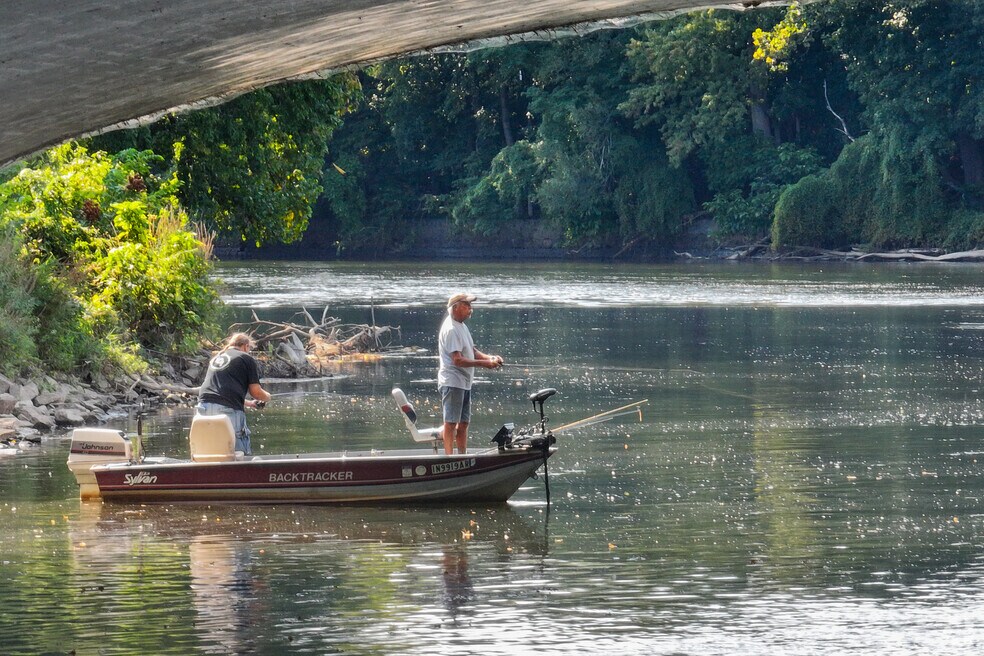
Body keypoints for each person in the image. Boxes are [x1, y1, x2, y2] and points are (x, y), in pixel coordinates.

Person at [437, 293, 503, 455]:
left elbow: (471, 351)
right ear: (456, 307)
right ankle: (449, 458)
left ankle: (462, 455)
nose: (470, 309)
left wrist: (490, 358)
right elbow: (457, 360)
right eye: (467, 305)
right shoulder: (451, 329)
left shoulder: (461, 326)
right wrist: (485, 364)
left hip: (464, 382)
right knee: (451, 423)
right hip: (453, 382)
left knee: (464, 423)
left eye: (470, 306)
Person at [196, 332, 271, 455]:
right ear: (246, 346)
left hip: (203, 407)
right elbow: (256, 392)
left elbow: (220, 392)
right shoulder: (245, 358)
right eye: (250, 349)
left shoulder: (216, 358)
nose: (249, 352)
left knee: (210, 451)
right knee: (239, 453)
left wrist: (250, 404)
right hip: (228, 411)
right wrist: (268, 397)